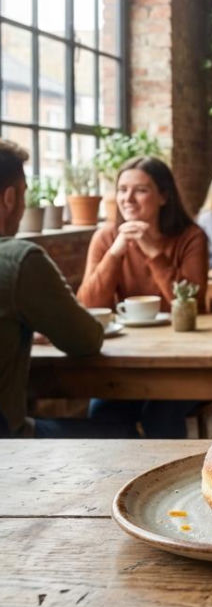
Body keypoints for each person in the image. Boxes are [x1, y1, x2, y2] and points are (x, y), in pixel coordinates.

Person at [78, 155, 209, 437]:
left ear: (163, 196)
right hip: (126, 361)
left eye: (140, 190)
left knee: (159, 416)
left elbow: (191, 303)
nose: (128, 199)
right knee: (103, 418)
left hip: (185, 362)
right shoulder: (105, 238)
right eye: (123, 190)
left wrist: (152, 253)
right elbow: (88, 307)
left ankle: (169, 480)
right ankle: (118, 480)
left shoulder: (191, 237)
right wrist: (115, 252)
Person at [0, 140, 107, 438]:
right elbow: (86, 339)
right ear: (9, 198)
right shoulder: (19, 260)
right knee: (124, 432)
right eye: (23, 197)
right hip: (8, 447)